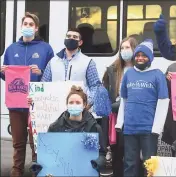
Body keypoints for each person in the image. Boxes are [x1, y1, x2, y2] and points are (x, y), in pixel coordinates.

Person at [0, 12, 54, 177]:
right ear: (22, 27)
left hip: (36, 102)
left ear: (36, 28)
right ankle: (17, 171)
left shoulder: (46, 49)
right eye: (25, 24)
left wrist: (42, 71)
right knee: (18, 142)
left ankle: (37, 171)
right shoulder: (11, 49)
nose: (28, 27)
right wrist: (2, 72)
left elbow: (52, 75)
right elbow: (7, 77)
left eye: (31, 25)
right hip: (16, 102)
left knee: (36, 142)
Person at [115, 39, 169, 176]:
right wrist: (120, 122)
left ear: (150, 57)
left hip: (149, 129)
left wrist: (157, 128)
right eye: (137, 55)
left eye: (143, 55)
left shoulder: (158, 75)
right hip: (130, 128)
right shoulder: (129, 74)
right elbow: (124, 100)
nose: (140, 58)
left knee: (150, 164)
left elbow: (163, 102)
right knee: (129, 163)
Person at [29, 85, 107, 175]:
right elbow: (46, 151)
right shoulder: (55, 127)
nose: (74, 105)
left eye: (78, 103)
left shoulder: (93, 128)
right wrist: (36, 163)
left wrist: (97, 163)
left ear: (84, 104)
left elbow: (101, 154)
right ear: (67, 104)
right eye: (71, 102)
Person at [102, 36, 138, 177]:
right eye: (122, 48)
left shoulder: (140, 70)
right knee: (117, 154)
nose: (124, 51)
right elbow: (104, 93)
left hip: (134, 118)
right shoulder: (112, 70)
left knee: (132, 155)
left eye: (127, 47)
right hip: (115, 119)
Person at [41, 28, 101, 110]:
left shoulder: (88, 62)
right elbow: (44, 84)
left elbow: (95, 86)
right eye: (68, 36)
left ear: (80, 42)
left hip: (79, 110)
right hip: (56, 109)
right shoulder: (53, 61)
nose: (71, 38)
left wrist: (87, 104)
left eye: (75, 37)